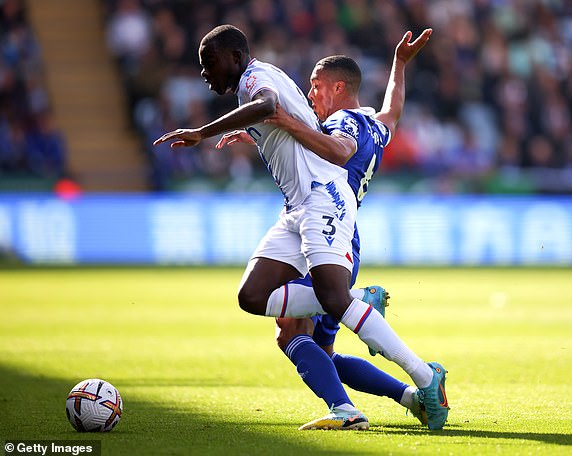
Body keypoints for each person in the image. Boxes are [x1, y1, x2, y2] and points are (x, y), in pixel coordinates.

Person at [153, 24, 449, 431]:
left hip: (324, 203)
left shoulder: (294, 98)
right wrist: (399, 63)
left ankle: (417, 379)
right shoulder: (368, 123)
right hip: (303, 208)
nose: (205, 73)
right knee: (254, 297)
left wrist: (204, 133)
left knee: (311, 322)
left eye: (210, 63)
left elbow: (284, 115)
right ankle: (379, 354)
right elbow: (391, 113)